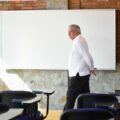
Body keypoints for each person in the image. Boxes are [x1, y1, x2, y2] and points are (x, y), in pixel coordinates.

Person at [64, 24, 96, 111]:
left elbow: (87, 56)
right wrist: (91, 66)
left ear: (75, 31)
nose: (68, 34)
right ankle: (87, 115)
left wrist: (92, 67)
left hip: (78, 75)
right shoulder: (79, 40)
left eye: (69, 32)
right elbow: (88, 55)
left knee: (70, 97)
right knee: (85, 97)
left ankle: (65, 116)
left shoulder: (78, 40)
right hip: (81, 74)